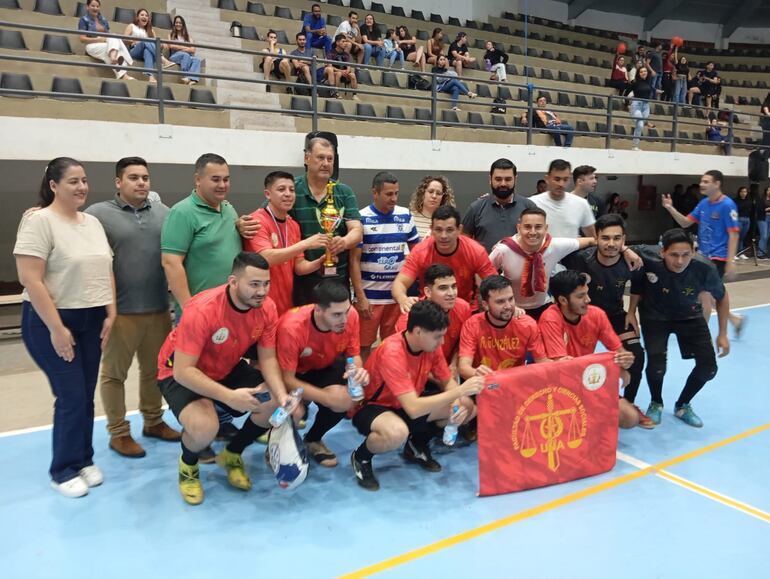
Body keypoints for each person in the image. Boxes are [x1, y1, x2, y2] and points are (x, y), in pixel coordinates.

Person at [14, 157, 116, 497]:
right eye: (73, 181)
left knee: (85, 395)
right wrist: (57, 328)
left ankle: (84, 459)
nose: (82, 187)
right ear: (54, 185)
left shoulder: (92, 223)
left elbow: (104, 269)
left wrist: (111, 311)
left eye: (84, 180)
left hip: (92, 319)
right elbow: (30, 278)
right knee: (71, 395)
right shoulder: (39, 220)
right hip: (50, 321)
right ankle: (63, 469)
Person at [157, 252, 292, 504]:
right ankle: (188, 466)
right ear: (233, 281)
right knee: (205, 427)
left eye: (266, 284)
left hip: (225, 366)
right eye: (254, 284)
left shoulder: (266, 308)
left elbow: (268, 359)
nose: (262, 291)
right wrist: (229, 397)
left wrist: (282, 395)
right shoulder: (202, 310)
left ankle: (232, 454)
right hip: (181, 371)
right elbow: (183, 371)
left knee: (272, 400)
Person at [85, 157, 179, 458]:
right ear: (118, 182)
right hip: (120, 313)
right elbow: (69, 227)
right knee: (114, 375)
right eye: (134, 177)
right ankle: (119, 432)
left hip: (158, 309)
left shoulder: (165, 213)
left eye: (145, 177)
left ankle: (153, 421)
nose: (141, 183)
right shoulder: (97, 215)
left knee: (155, 371)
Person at [350, 300, 484, 491]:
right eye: (438, 337)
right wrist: (460, 391)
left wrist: (457, 406)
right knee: (397, 432)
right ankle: (361, 456)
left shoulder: (431, 346)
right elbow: (413, 409)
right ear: (419, 331)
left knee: (467, 408)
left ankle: (416, 446)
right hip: (374, 408)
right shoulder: (392, 351)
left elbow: (447, 381)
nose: (442, 342)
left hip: (408, 402)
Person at [628, 229, 730, 427]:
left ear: (693, 251)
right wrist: (625, 250)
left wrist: (723, 333)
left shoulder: (704, 268)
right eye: (674, 255)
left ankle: (683, 405)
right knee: (657, 365)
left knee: (709, 368)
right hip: (654, 316)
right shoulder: (646, 255)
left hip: (690, 316)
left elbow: (722, 296)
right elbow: (620, 246)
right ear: (662, 252)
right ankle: (656, 402)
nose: (680, 261)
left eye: (686, 255)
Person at [571, 214, 653, 427]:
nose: (611, 243)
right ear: (596, 237)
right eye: (605, 238)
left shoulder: (632, 261)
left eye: (617, 239)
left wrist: (631, 312)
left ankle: (628, 404)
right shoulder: (582, 258)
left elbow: (638, 285)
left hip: (615, 315)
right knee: (570, 362)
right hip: (583, 317)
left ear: (624, 239)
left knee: (636, 355)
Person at [277, 280, 366, 467]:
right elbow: (287, 379)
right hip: (293, 373)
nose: (344, 320)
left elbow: (353, 355)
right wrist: (325, 397)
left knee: (347, 399)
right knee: (294, 411)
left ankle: (313, 439)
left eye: (346, 312)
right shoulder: (291, 327)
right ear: (318, 310)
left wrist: (357, 373)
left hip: (324, 365)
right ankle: (278, 444)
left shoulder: (352, 317)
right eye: (336, 315)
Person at [538, 270, 640, 429]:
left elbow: (618, 351)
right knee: (572, 428)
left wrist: (624, 363)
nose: (588, 299)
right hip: (560, 384)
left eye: (587, 293)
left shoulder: (596, 314)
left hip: (587, 378)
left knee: (630, 418)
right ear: (563, 300)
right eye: (580, 296)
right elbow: (562, 366)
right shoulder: (550, 319)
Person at [161, 153, 242, 321]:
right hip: (199, 313)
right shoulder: (182, 212)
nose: (222, 185)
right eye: (215, 179)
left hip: (232, 308)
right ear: (198, 179)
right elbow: (171, 263)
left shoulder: (229, 209)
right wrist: (188, 308)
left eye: (226, 179)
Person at [662, 169, 744, 334]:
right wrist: (670, 208)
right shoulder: (704, 203)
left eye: (706, 181)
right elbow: (685, 222)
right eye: (701, 181)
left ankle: (701, 334)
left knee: (703, 296)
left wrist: (730, 261)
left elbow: (734, 233)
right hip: (702, 256)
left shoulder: (727, 205)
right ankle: (734, 319)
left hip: (717, 258)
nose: (702, 184)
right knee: (706, 294)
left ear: (717, 184)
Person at [350, 172, 419, 360]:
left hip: (397, 299)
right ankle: (361, 387)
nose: (394, 198)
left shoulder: (405, 215)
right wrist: (360, 296)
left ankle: (387, 385)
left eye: (396, 193)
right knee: (361, 347)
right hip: (370, 297)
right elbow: (354, 260)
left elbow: (417, 255)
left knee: (394, 348)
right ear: (375, 193)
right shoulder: (361, 218)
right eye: (389, 194)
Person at [242, 171, 327, 315]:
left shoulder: (293, 225)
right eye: (281, 189)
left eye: (292, 190)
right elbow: (266, 258)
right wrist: (306, 244)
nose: (288, 194)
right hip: (259, 304)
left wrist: (320, 262)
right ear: (268, 194)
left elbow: (299, 266)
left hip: (286, 304)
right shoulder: (256, 222)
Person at [291, 137, 363, 305]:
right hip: (303, 278)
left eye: (330, 159)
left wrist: (344, 242)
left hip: (338, 277)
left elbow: (357, 231)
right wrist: (242, 223)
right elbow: (267, 216)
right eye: (320, 157)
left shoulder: (344, 192)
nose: (325, 163)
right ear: (307, 158)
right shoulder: (291, 189)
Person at [489, 207, 594, 321]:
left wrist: (605, 243)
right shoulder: (504, 250)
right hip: (511, 308)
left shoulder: (554, 246)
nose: (533, 232)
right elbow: (483, 273)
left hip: (543, 305)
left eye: (538, 227)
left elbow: (587, 241)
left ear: (546, 228)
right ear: (519, 228)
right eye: (527, 227)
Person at [392, 205, 496, 311]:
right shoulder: (420, 252)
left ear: (459, 230)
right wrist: (403, 299)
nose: (444, 236)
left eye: (449, 230)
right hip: (431, 309)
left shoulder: (475, 251)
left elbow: (495, 284)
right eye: (438, 229)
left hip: (466, 308)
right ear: (431, 230)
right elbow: (400, 283)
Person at [458, 276, 548, 380]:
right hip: (484, 384)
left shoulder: (528, 324)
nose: (508, 306)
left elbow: (542, 362)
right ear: (485, 305)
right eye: (500, 302)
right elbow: (463, 368)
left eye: (511, 299)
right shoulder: (472, 325)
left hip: (516, 384)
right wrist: (476, 373)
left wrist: (562, 364)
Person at [394, 264, 472, 376]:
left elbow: (461, 343)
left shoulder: (463, 307)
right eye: (443, 288)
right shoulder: (410, 317)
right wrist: (442, 378)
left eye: (454, 286)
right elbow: (407, 362)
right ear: (428, 292)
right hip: (415, 373)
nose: (451, 293)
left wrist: (454, 365)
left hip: (446, 371)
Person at [461, 158, 536, 253]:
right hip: (484, 267)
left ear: (515, 180)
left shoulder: (529, 208)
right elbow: (464, 243)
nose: (503, 184)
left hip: (521, 267)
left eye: (508, 179)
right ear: (490, 179)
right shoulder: (475, 208)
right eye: (498, 179)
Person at [530, 159, 596, 239]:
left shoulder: (581, 204)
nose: (561, 184)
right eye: (557, 179)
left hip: (572, 251)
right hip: (541, 251)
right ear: (547, 179)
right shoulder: (532, 203)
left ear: (569, 180)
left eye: (565, 179)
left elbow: (593, 238)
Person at [78, 0, 133, 80]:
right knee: (114, 47)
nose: (95, 8)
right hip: (92, 45)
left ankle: (114, 59)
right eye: (93, 6)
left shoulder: (103, 20)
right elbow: (82, 39)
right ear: (87, 7)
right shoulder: (83, 20)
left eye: (97, 6)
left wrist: (106, 39)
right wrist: (99, 39)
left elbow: (109, 36)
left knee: (113, 37)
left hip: (106, 43)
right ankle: (122, 72)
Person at [124, 8, 174, 83]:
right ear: (137, 17)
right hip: (134, 51)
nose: (144, 17)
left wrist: (162, 44)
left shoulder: (150, 30)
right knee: (145, 40)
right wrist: (134, 41)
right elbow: (124, 39)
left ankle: (151, 78)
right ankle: (162, 59)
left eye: (146, 15)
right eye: (142, 15)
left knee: (147, 51)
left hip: (146, 51)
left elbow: (155, 43)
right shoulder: (132, 26)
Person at [409, 175, 455, 240]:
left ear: (443, 197)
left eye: (438, 193)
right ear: (422, 193)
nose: (434, 196)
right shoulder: (410, 218)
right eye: (430, 192)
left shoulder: (449, 221)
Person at [168, 15, 202, 85]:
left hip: (187, 56)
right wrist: (185, 48)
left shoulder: (188, 37)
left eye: (180, 23)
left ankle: (190, 79)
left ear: (183, 25)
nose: (178, 24)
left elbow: (193, 50)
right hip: (174, 56)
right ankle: (187, 76)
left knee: (197, 60)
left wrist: (179, 47)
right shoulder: (171, 35)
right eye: (176, 23)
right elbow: (171, 46)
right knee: (185, 55)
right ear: (174, 24)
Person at [629, 65, 653, 151]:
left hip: (646, 106)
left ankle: (645, 122)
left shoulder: (648, 82)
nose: (643, 73)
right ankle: (634, 146)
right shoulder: (635, 82)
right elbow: (627, 91)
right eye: (641, 71)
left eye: (645, 71)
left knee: (640, 126)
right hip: (637, 105)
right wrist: (628, 99)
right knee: (639, 124)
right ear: (638, 73)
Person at [734, 186, 752, 257]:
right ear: (739, 192)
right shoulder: (735, 200)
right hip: (738, 219)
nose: (743, 193)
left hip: (747, 219)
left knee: (742, 237)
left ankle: (740, 252)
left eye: (745, 192)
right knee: (736, 237)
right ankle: (734, 253)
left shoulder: (749, 200)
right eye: (742, 192)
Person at [757, 185, 770, 258]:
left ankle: (764, 252)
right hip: (763, 218)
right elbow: (759, 210)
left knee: (767, 236)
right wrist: (768, 208)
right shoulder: (762, 199)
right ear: (766, 191)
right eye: (769, 190)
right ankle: (760, 253)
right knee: (764, 236)